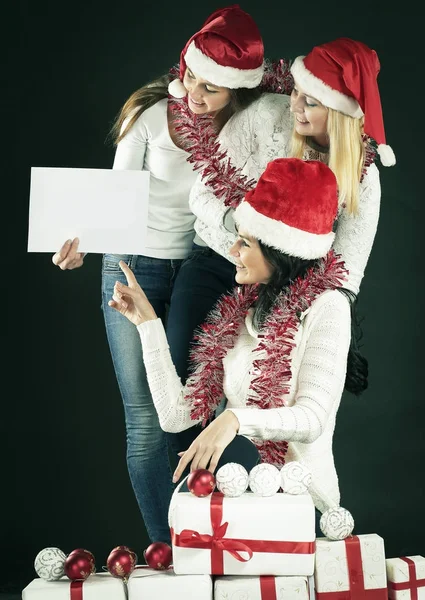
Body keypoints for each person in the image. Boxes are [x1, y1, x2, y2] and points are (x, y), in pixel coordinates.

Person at [51, 5, 266, 545]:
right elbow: (115, 200)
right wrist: (81, 247)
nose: (196, 93)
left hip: (204, 269)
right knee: (148, 422)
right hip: (134, 267)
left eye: (213, 89)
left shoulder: (246, 129)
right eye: (193, 76)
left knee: (199, 411)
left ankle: (222, 539)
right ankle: (166, 554)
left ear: (236, 93)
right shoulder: (150, 117)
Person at [108, 157, 368, 521]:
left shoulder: (328, 306)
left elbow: (312, 418)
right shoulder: (240, 310)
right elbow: (175, 416)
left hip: (301, 503)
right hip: (240, 499)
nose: (232, 252)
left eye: (244, 242)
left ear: (279, 251)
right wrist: (147, 324)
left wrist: (232, 421)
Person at [167, 38, 395, 385]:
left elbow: (346, 269)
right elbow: (202, 193)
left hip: (282, 293)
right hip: (214, 262)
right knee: (182, 385)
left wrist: (317, 326)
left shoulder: (362, 178)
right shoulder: (266, 114)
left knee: (251, 409)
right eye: (296, 93)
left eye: (312, 102)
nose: (295, 106)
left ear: (340, 113)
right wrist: (242, 227)